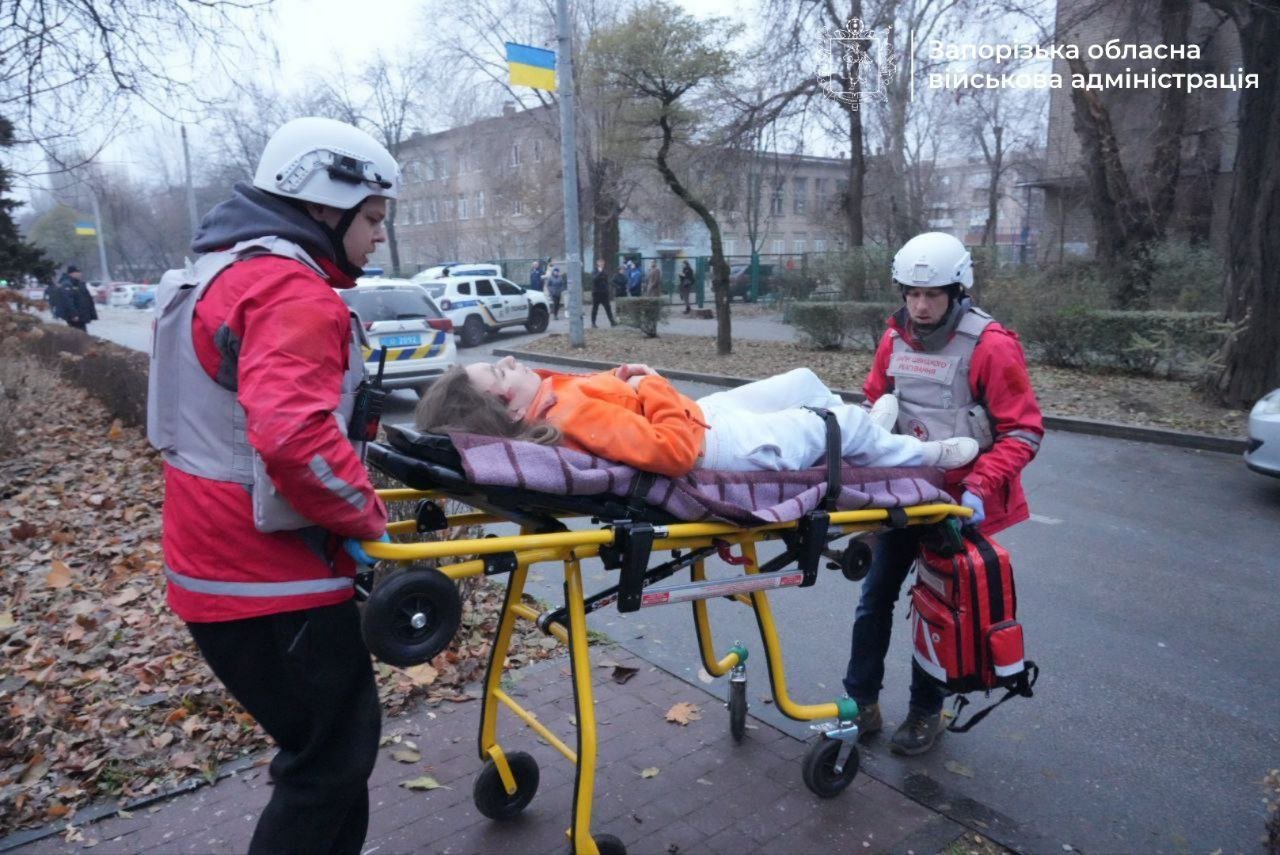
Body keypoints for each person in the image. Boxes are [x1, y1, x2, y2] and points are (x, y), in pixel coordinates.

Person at [147, 117, 399, 854]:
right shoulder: (290, 292)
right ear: (324, 205)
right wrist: (367, 520)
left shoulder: (220, 273)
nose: (380, 234)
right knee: (329, 762)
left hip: (212, 565)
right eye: (373, 217)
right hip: (270, 580)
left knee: (329, 756)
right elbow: (295, 441)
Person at [841, 232, 1044, 757]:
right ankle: (860, 703)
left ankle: (925, 712)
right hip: (903, 494)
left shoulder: (991, 345)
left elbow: (1023, 432)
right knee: (874, 599)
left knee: (940, 610)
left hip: (956, 507)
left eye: (932, 295)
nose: (920, 306)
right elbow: (875, 403)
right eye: (911, 294)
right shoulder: (894, 338)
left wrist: (978, 488)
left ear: (957, 291)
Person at [415, 357, 978, 479]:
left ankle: (871, 428)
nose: (511, 362)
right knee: (834, 426)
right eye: (501, 371)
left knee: (805, 380)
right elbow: (675, 453)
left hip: (700, 416)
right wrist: (653, 384)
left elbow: (608, 398)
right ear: (511, 409)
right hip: (713, 443)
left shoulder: (550, 398)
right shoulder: (572, 418)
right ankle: (922, 455)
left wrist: (622, 377)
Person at [51, 265, 97, 331]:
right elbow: (67, 301)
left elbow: (84, 297)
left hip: (81, 316)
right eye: (77, 272)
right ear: (71, 273)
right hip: (75, 317)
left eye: (80, 272)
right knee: (78, 333)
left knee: (81, 333)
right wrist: (73, 314)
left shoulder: (77, 283)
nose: (80, 274)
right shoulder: (67, 284)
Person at [590, 258, 617, 328]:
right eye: (600, 262)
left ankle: (612, 322)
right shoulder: (594, 271)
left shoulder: (604, 271)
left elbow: (607, 281)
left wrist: (614, 286)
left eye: (603, 263)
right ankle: (593, 323)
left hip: (604, 293)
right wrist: (599, 272)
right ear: (597, 263)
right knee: (595, 308)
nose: (602, 264)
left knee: (608, 308)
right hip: (596, 293)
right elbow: (594, 279)